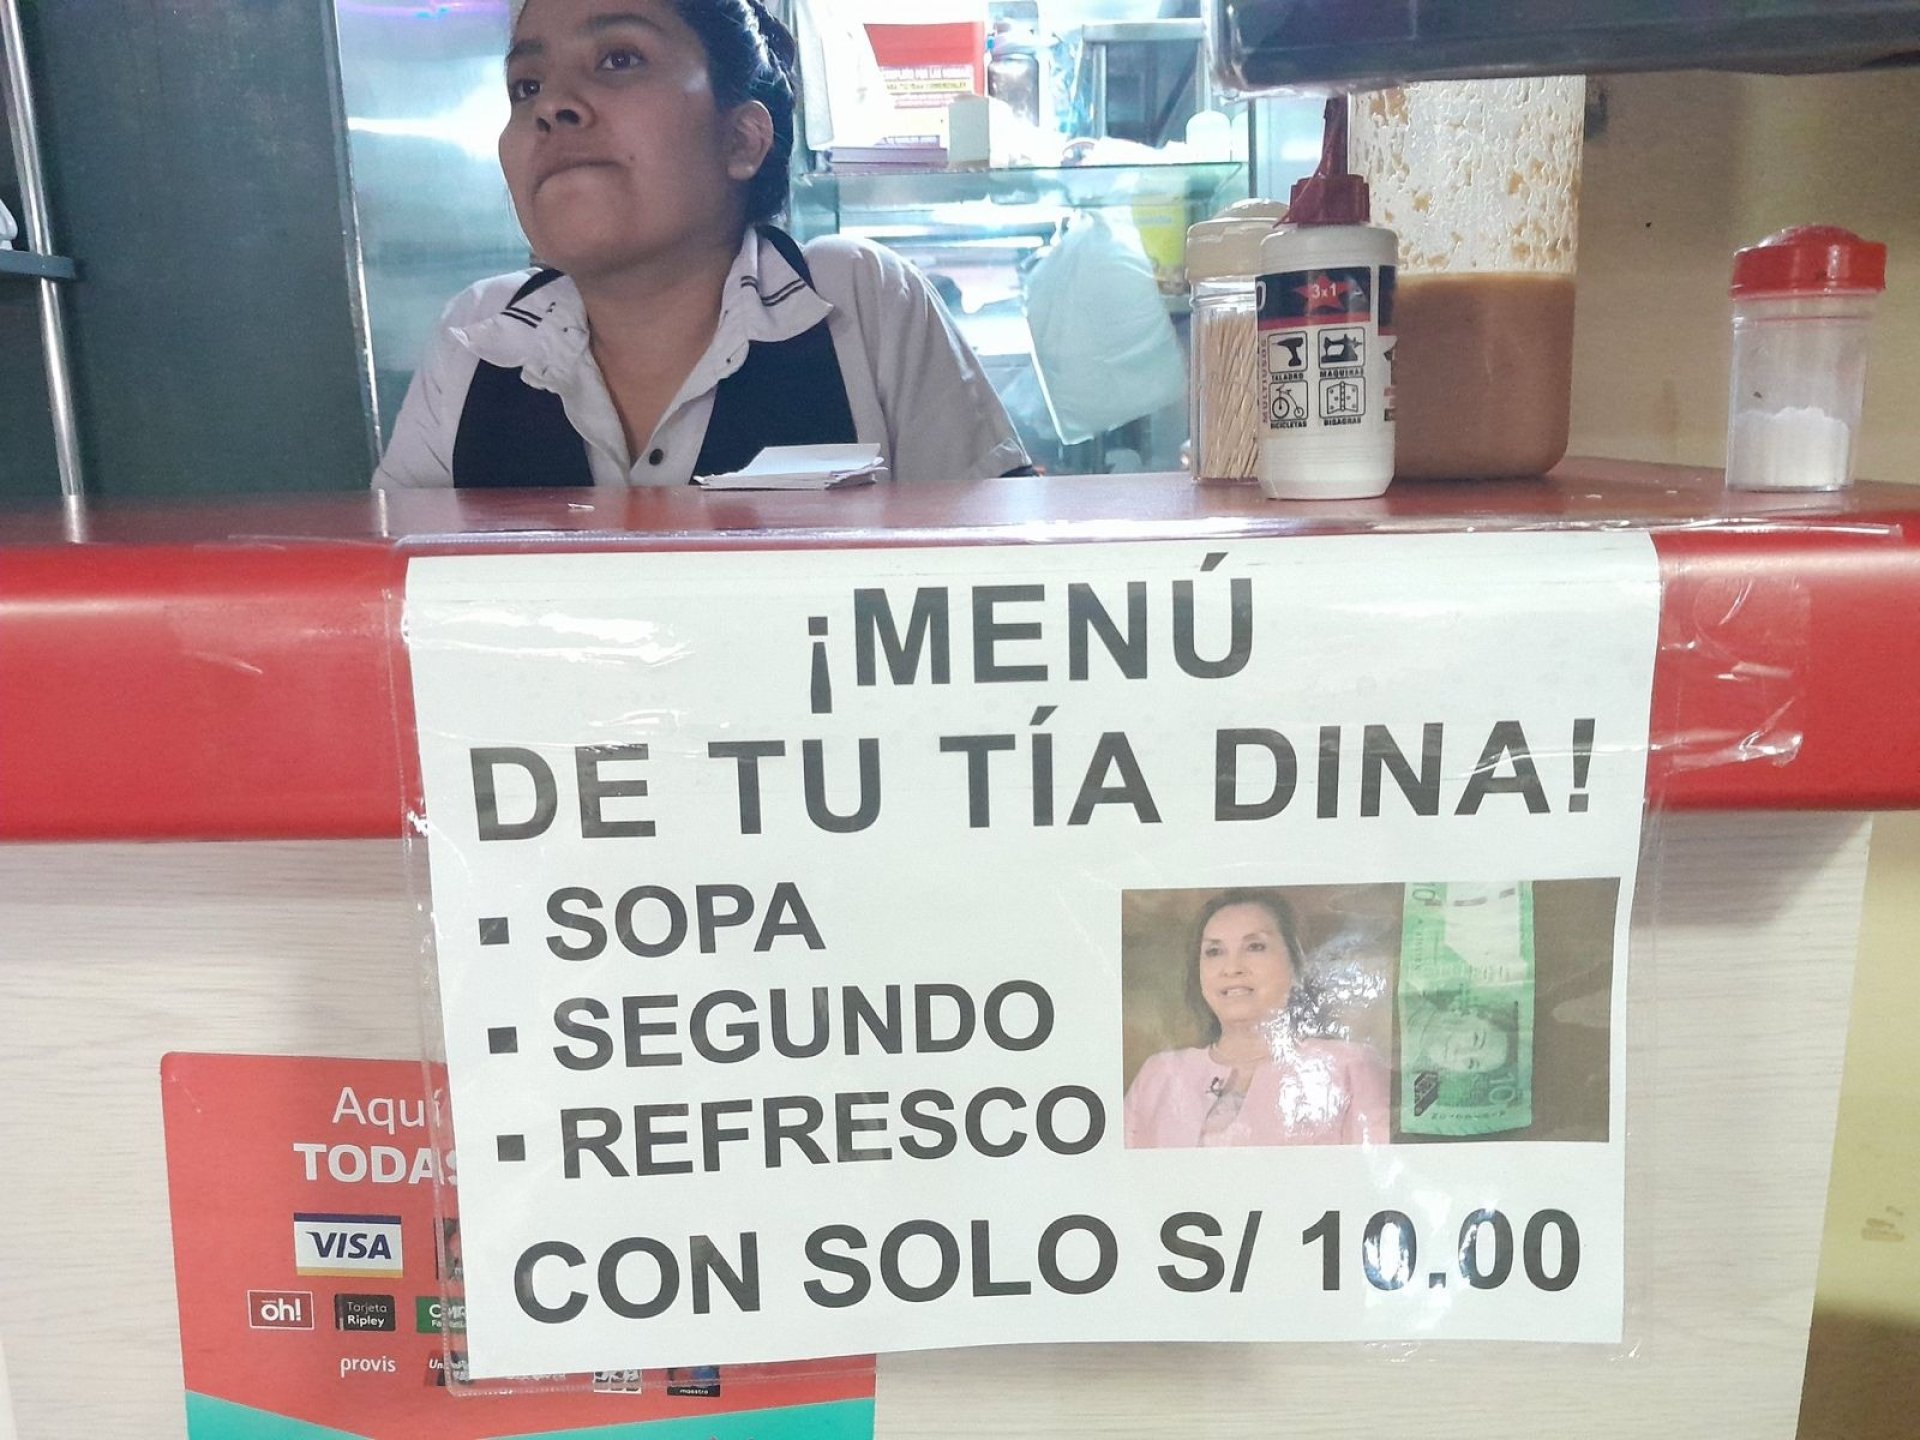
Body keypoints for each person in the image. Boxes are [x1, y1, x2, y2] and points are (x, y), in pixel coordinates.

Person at [374, 0, 1029, 489]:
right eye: (527, 86)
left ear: (742, 140)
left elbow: (997, 596)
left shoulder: (858, 298)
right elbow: (389, 614)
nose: (554, 106)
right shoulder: (476, 336)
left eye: (619, 59)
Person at [1124, 889, 1390, 1148]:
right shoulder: (1158, 1076)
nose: (1232, 968)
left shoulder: (1349, 1068)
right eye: (1214, 951)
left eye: (1255, 947)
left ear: (1295, 963)